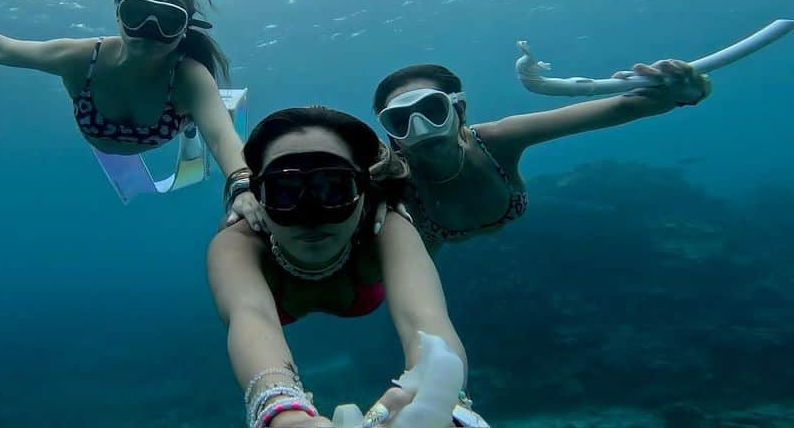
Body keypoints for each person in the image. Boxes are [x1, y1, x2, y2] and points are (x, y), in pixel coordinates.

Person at [0, 0, 267, 227]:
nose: (149, 29)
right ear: (119, 15)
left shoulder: (187, 75)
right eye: (138, 13)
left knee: (206, 120)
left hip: (174, 118)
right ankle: (194, 117)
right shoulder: (82, 57)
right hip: (129, 135)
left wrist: (241, 185)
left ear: (184, 31)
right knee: (203, 112)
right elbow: (1, 48)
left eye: (166, 21)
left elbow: (220, 137)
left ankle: (191, 122)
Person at [208, 107, 469, 428]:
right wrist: (284, 413)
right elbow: (251, 317)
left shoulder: (386, 227)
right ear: (258, 196)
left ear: (364, 189)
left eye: (334, 187)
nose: (310, 212)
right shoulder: (240, 241)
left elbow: (426, 320)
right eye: (285, 191)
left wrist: (440, 400)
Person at [371, 60, 711, 254]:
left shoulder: (499, 139)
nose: (420, 128)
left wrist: (688, 90)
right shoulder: (390, 176)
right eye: (401, 120)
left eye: (433, 110)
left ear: (459, 110)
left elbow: (621, 107)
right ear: (390, 133)